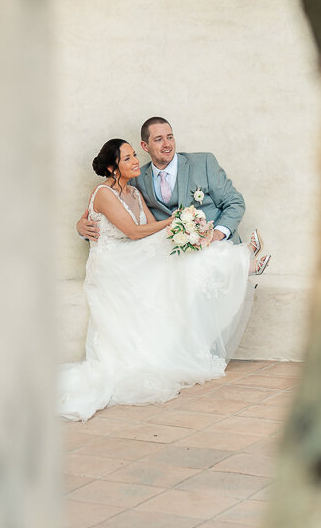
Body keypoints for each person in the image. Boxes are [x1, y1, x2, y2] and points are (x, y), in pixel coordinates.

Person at [59, 137, 270, 422]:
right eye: (128, 158)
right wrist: (175, 222)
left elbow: (149, 226)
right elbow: (134, 232)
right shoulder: (104, 193)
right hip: (112, 262)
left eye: (135, 155)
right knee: (173, 249)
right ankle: (241, 261)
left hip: (130, 252)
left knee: (179, 249)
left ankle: (239, 260)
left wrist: (184, 229)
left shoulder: (133, 192)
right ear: (112, 168)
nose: (135, 162)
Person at [76, 117, 245, 243]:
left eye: (170, 137)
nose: (167, 144)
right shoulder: (135, 179)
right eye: (158, 139)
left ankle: (246, 260)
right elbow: (112, 219)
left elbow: (235, 202)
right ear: (145, 146)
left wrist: (217, 234)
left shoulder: (204, 163)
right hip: (170, 253)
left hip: (217, 245)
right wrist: (82, 229)